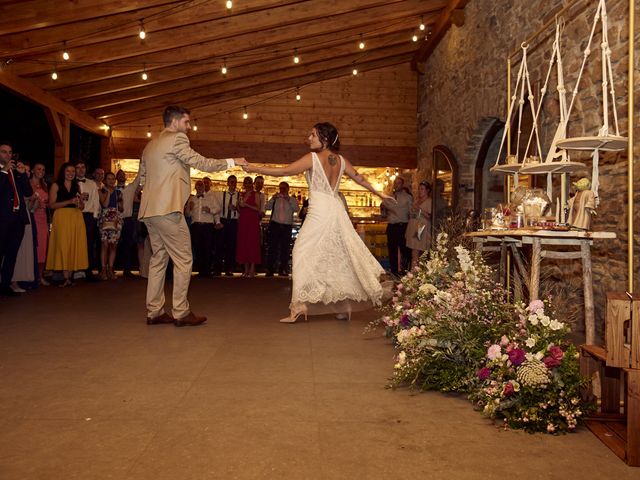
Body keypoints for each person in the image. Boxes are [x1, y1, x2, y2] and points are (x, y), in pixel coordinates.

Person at [243, 122, 393, 323]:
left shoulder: (313, 158)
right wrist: (380, 193)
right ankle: (341, 306)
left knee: (301, 251)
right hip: (335, 209)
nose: (309, 138)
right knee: (335, 255)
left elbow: (285, 172)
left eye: (312, 135)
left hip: (320, 211)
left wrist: (253, 167)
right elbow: (360, 178)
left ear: (324, 138)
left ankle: (298, 307)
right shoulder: (341, 160)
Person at [138, 105, 246, 327]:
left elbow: (142, 179)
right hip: (168, 209)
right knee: (184, 258)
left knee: (158, 259)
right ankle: (180, 311)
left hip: (149, 210)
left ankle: (155, 311)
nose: (189, 127)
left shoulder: (150, 145)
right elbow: (202, 163)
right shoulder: (177, 139)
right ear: (175, 121)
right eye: (187, 122)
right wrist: (232, 162)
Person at [46, 162, 88, 287]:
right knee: (63, 245)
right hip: (61, 217)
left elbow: (81, 207)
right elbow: (51, 205)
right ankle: (65, 277)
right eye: (68, 171)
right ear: (63, 172)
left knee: (74, 244)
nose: (70, 174)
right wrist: (69, 201)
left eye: (72, 172)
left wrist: (80, 201)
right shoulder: (55, 185)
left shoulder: (77, 186)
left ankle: (69, 277)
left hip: (76, 217)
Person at [0, 142, 33, 297]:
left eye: (10, 152)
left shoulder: (15, 172)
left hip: (18, 219)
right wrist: (3, 172)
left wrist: (21, 175)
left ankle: (5, 286)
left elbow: (27, 192)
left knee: (12, 254)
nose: (8, 155)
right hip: (2, 219)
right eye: (4, 152)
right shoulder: (3, 172)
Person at [265, 181, 299, 276]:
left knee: (285, 248)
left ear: (288, 189)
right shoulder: (276, 199)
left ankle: (283, 269)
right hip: (275, 225)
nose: (282, 190)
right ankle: (270, 269)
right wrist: (273, 198)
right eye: (280, 188)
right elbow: (266, 207)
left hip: (286, 226)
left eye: (284, 188)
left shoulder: (292, 199)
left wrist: (288, 199)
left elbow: (296, 209)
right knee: (273, 248)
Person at [381, 176, 412, 277]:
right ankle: (394, 271)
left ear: (402, 185)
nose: (396, 185)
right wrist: (383, 209)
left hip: (402, 226)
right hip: (391, 226)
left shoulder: (407, 197)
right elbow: (383, 211)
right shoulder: (389, 196)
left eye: (398, 183)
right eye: (395, 183)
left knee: (405, 249)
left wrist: (410, 227)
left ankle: (406, 271)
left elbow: (411, 213)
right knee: (392, 249)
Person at [186, 179, 216, 277]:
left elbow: (218, 209)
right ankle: (201, 271)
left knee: (207, 248)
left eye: (201, 185)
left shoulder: (211, 198)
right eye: (198, 185)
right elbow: (187, 214)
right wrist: (189, 208)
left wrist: (210, 210)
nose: (199, 187)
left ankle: (207, 271)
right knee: (198, 248)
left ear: (204, 187)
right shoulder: (192, 199)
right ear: (195, 187)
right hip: (196, 226)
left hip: (207, 225)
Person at [76, 161, 100, 280]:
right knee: (75, 243)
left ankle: (88, 271)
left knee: (89, 245)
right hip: (74, 215)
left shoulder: (91, 183)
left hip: (88, 216)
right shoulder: (70, 183)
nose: (81, 170)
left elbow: (96, 201)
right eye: (78, 167)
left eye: (83, 167)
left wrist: (94, 217)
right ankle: (74, 270)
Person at [98, 172, 124, 280]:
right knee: (105, 245)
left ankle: (110, 269)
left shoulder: (119, 192)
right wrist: (108, 193)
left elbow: (121, 208)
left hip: (115, 219)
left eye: (113, 179)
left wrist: (120, 202)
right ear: (105, 180)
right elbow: (104, 204)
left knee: (113, 245)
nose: (111, 181)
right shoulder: (101, 191)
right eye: (109, 179)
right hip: (105, 218)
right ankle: (103, 270)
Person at [213, 175, 239, 276]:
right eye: (231, 182)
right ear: (228, 183)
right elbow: (217, 209)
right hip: (223, 221)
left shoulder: (239, 195)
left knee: (231, 246)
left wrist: (236, 209)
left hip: (233, 222)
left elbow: (242, 212)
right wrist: (218, 222)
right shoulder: (220, 195)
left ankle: (229, 269)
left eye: (235, 182)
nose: (233, 184)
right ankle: (217, 269)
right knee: (219, 246)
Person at [236, 176, 261, 278]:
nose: (247, 184)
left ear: (252, 184)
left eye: (249, 182)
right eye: (245, 182)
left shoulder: (256, 194)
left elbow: (258, 208)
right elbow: (239, 209)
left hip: (252, 220)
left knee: (252, 242)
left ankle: (252, 269)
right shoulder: (241, 194)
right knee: (244, 242)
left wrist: (246, 205)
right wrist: (238, 205)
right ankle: (245, 269)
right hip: (243, 220)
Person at [30, 162, 50, 285]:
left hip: (43, 219)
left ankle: (40, 276)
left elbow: (48, 204)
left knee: (43, 248)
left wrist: (45, 204)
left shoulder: (45, 185)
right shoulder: (28, 184)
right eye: (38, 169)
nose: (41, 171)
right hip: (32, 218)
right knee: (33, 248)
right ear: (32, 170)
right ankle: (30, 275)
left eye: (43, 169)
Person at [405, 181, 432, 269]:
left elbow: (429, 216)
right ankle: (414, 271)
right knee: (414, 251)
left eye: (422, 189)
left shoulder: (429, 201)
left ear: (427, 190)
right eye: (419, 189)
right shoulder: (417, 201)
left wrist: (419, 210)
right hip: (413, 226)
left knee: (418, 251)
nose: (420, 191)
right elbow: (412, 214)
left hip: (421, 228)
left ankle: (415, 272)